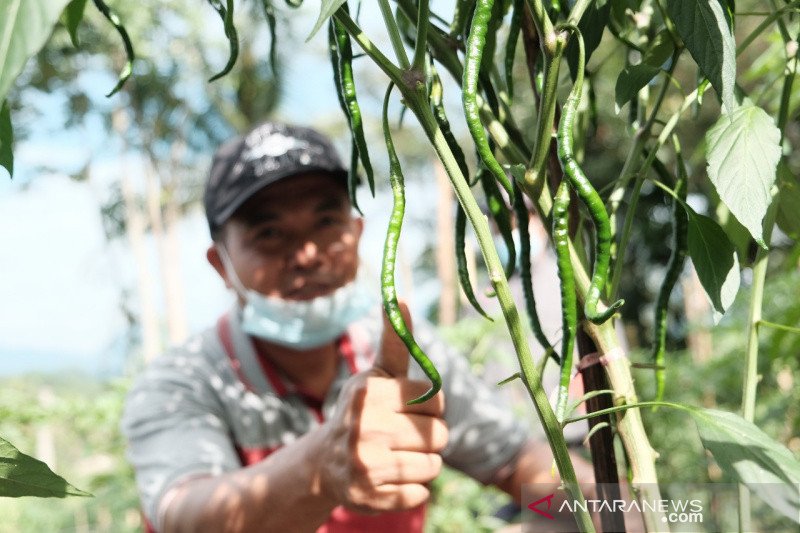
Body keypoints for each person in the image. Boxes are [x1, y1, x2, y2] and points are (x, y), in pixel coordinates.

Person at [121, 121, 594, 532]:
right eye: (269, 233)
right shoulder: (180, 382)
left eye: (326, 221)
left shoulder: (406, 350)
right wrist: (322, 466)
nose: (307, 254)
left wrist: (613, 512)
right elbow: (184, 515)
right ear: (221, 266)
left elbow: (515, 463)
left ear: (356, 235)